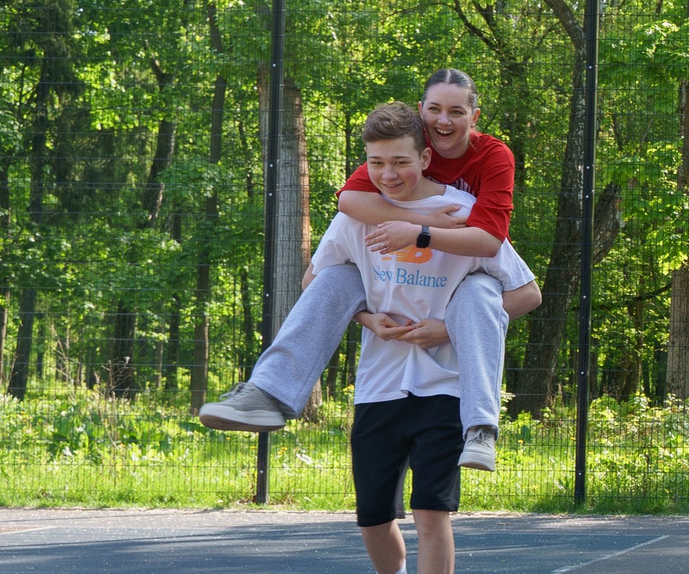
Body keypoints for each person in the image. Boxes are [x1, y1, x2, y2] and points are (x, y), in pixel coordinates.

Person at [319, 103, 538, 574]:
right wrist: (365, 316)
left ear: (424, 157)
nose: (388, 173)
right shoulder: (355, 219)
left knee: (431, 516)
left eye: (399, 161)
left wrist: (450, 328)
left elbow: (526, 294)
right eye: (375, 162)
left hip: (444, 387)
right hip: (380, 386)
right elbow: (322, 284)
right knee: (372, 519)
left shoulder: (463, 216)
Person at [200, 70, 521, 474]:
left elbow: (491, 241)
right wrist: (369, 310)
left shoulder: (490, 161)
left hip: (462, 269)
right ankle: (269, 393)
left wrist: (422, 235)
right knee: (335, 277)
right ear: (421, 114)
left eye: (456, 111)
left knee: (480, 294)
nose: (444, 121)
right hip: (396, 283)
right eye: (435, 110)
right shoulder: (396, 149)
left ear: (474, 117)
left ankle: (480, 428)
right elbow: (349, 200)